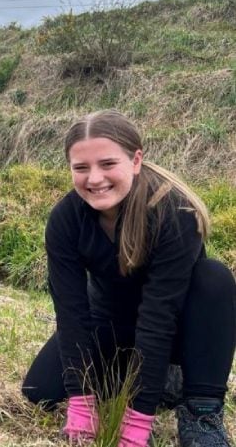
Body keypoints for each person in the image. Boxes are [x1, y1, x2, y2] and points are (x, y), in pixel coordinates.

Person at [21, 110, 236, 446]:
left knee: (215, 277)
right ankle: (154, 380)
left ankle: (200, 408)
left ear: (136, 160)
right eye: (81, 168)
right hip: (110, 322)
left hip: (178, 327)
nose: (94, 179)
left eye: (107, 164)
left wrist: (137, 420)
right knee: (40, 390)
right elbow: (72, 316)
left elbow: (158, 318)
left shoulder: (174, 213)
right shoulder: (65, 219)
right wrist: (82, 401)